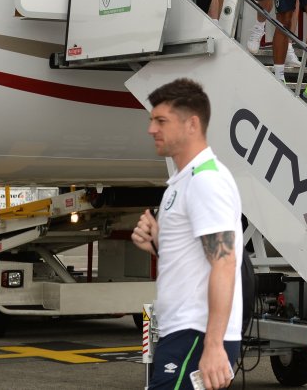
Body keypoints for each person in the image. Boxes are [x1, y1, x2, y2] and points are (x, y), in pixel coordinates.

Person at [131, 78, 242, 390]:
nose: (152, 129)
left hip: (196, 336)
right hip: (184, 333)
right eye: (152, 120)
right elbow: (196, 259)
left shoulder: (206, 180)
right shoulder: (183, 181)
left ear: (192, 124)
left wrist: (213, 345)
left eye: (161, 121)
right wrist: (157, 243)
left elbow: (225, 262)